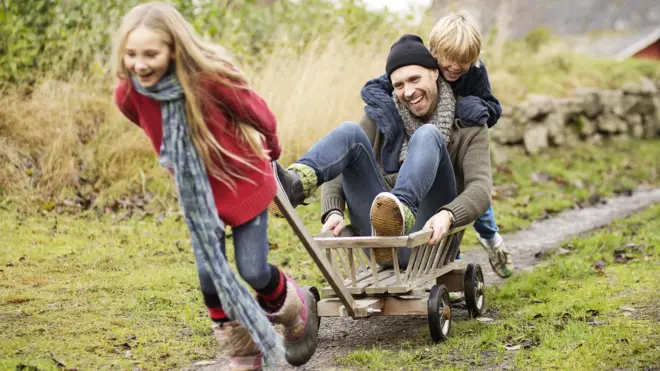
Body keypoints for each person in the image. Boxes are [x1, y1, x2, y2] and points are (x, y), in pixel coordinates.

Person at [112, 3, 317, 369]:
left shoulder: (209, 81)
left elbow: (257, 112)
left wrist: (271, 143)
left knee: (252, 269)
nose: (139, 64)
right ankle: (244, 350)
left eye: (150, 54)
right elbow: (152, 129)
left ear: (174, 49)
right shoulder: (130, 95)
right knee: (209, 275)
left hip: (244, 183)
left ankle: (296, 307)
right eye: (131, 54)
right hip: (199, 195)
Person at [270, 34, 492, 268]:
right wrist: (333, 210)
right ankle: (295, 184)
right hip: (379, 239)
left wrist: (449, 215)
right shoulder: (381, 114)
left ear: (434, 73)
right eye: (399, 85)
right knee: (350, 132)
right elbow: (339, 159)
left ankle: (402, 210)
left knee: (427, 134)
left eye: (415, 79)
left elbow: (481, 188)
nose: (408, 92)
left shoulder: (469, 121)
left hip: (428, 239)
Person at [357, 11, 514, 278]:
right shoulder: (420, 66)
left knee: (478, 205)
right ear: (433, 54)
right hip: (430, 147)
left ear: (474, 59)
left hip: (460, 143)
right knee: (441, 197)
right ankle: (450, 262)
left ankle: (492, 242)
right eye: (448, 61)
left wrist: (470, 108)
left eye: (463, 62)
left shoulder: (475, 73)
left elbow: (492, 108)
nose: (454, 67)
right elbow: (379, 86)